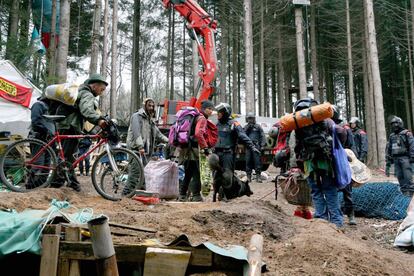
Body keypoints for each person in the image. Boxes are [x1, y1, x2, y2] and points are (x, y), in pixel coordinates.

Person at [294, 98, 343, 227]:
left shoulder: (298, 125)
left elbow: (297, 147)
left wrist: (299, 165)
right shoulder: (325, 120)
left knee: (315, 190)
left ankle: (321, 219)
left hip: (309, 163)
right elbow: (340, 132)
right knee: (330, 189)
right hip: (325, 161)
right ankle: (336, 221)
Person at [56, 73, 108, 192]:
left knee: (68, 157)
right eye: (102, 89)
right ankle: (57, 182)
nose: (102, 92)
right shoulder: (87, 94)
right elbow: (87, 110)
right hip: (69, 125)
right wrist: (99, 120)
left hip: (68, 124)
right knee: (67, 156)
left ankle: (72, 183)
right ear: (94, 86)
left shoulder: (82, 92)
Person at [213, 103, 260, 197]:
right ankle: (217, 193)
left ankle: (226, 195)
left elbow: (243, 135)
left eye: (220, 112)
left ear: (225, 113)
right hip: (216, 153)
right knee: (216, 176)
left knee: (227, 176)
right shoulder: (216, 124)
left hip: (228, 154)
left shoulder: (234, 124)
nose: (218, 114)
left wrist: (252, 146)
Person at [177, 100, 217, 202]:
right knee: (197, 173)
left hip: (187, 149)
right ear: (205, 109)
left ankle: (182, 195)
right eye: (210, 109)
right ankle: (196, 196)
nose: (211, 111)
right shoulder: (202, 118)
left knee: (188, 173)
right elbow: (198, 133)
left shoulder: (195, 116)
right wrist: (205, 148)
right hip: (195, 150)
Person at [332, 106, 357, 225]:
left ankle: (351, 215)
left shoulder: (344, 129)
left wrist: (352, 159)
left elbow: (352, 147)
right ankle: (336, 214)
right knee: (332, 190)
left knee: (347, 190)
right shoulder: (325, 127)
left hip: (343, 162)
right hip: (331, 162)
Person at [27, 96, 58, 188]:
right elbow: (35, 122)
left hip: (48, 139)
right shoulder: (38, 105)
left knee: (47, 163)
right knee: (38, 163)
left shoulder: (50, 109)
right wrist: (46, 131)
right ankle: (31, 185)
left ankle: (41, 184)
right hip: (38, 137)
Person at [127, 98, 169, 165]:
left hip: (145, 151)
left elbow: (158, 134)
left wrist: (169, 141)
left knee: (143, 172)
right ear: (144, 106)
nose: (151, 108)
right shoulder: (137, 116)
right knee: (135, 172)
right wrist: (140, 147)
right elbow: (136, 133)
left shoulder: (150, 121)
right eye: (149, 105)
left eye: (152, 106)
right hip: (135, 150)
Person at [385, 116, 414, 197]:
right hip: (396, 159)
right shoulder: (392, 136)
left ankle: (411, 193)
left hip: (405, 158)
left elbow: (412, 145)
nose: (394, 125)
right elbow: (389, 148)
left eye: (396, 123)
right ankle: (404, 193)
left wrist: (412, 157)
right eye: (393, 124)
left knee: (407, 176)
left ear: (400, 123)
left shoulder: (406, 133)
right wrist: (388, 159)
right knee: (399, 176)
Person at [244, 112, 266, 183]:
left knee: (257, 161)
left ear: (254, 119)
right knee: (248, 161)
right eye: (249, 118)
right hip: (248, 147)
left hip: (256, 146)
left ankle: (258, 177)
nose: (250, 120)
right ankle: (248, 177)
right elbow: (243, 135)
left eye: (252, 118)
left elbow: (262, 136)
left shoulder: (258, 127)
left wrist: (262, 145)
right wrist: (248, 128)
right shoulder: (246, 127)